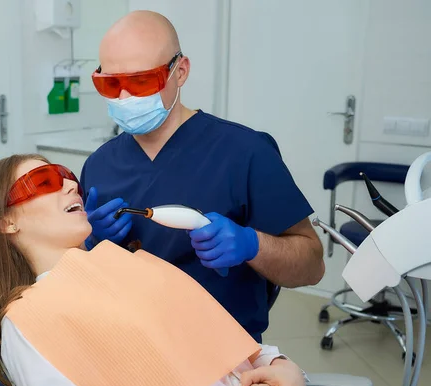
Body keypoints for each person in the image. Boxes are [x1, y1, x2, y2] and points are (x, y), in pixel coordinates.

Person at [0, 154, 307, 386]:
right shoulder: (28, 318)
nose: (71, 184)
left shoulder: (131, 264)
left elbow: (222, 342)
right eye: (44, 181)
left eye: (67, 174)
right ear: (7, 222)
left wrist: (279, 364)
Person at [80, 10, 325, 343]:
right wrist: (91, 244)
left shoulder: (246, 152)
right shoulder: (99, 165)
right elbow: (80, 278)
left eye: (140, 82)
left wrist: (253, 245)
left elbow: (312, 266)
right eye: (110, 84)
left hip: (223, 354)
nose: (124, 97)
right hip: (131, 345)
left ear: (180, 72)